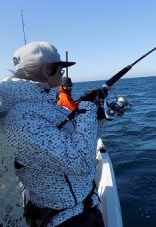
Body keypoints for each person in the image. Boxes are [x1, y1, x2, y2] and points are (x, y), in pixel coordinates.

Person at [0, 41, 106, 227]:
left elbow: (85, 144)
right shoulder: (22, 120)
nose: (63, 74)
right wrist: (87, 108)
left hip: (83, 208)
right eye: (60, 70)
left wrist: (97, 116)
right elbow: (80, 162)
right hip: (69, 220)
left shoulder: (48, 107)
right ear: (47, 70)